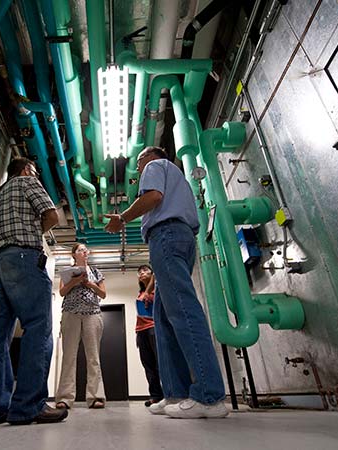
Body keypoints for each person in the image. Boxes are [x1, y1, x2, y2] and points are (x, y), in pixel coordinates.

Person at [104, 146, 228, 419]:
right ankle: (176, 393)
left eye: (138, 162)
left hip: (166, 236)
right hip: (178, 239)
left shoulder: (155, 167)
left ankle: (210, 397)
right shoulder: (178, 178)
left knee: (183, 311)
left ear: (149, 157)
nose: (138, 169)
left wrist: (122, 218)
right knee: (163, 319)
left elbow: (153, 197)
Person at [0, 157, 68, 425]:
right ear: (28, 170)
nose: (36, 174)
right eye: (36, 171)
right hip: (24, 260)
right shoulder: (28, 181)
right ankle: (29, 406)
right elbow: (51, 215)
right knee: (38, 328)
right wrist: (32, 232)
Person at [55, 243, 107, 409]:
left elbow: (103, 294)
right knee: (68, 356)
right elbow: (62, 292)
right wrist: (75, 281)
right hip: (71, 313)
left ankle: (96, 396)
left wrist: (89, 284)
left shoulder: (96, 272)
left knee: (93, 357)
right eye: (80, 250)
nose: (84, 251)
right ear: (74, 254)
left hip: (92, 313)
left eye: (85, 250)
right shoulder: (66, 272)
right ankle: (64, 398)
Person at [134, 264, 164, 407]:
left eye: (145, 270)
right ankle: (156, 396)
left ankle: (169, 394)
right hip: (141, 331)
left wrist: (148, 289)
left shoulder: (157, 289)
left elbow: (157, 275)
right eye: (139, 272)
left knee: (160, 363)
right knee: (148, 365)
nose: (142, 272)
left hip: (153, 328)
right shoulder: (141, 293)